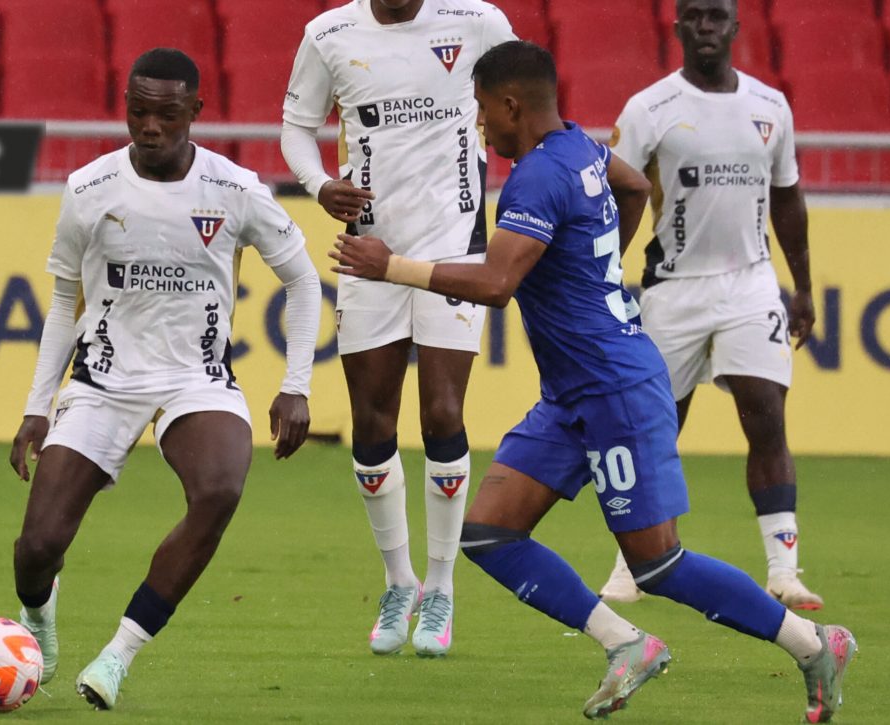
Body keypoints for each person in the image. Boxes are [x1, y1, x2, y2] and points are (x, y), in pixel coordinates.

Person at [330, 41, 855, 723]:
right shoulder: (580, 145)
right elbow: (634, 186)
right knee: (489, 531)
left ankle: (815, 643)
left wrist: (391, 265)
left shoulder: (535, 179)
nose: (482, 127)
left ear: (512, 105)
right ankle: (624, 642)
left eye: (485, 113)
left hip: (614, 389)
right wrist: (593, 263)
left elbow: (494, 284)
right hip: (573, 392)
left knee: (658, 565)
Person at [9, 48, 321, 710]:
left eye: (167, 113)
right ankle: (39, 623)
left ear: (196, 113)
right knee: (36, 548)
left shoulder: (233, 189)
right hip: (103, 380)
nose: (149, 126)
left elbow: (302, 277)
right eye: (138, 111)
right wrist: (38, 406)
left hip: (196, 378)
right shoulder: (90, 189)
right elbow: (66, 300)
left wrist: (297, 383)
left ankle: (118, 654)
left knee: (219, 489)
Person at [280, 0, 515, 658]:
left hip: (456, 250)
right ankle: (399, 580)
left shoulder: (476, 20)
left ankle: (441, 586)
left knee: (442, 411)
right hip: (368, 252)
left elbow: (520, 99)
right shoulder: (327, 34)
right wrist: (321, 183)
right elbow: (297, 127)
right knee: (373, 422)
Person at [597, 0, 823, 610]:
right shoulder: (650, 109)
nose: (705, 27)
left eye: (716, 17)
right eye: (693, 17)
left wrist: (801, 285)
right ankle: (630, 563)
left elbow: (788, 198)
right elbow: (620, 191)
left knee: (766, 415)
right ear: (676, 28)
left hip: (750, 283)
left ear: (734, 28)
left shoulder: (770, 107)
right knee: (656, 427)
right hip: (674, 286)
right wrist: (605, 271)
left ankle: (783, 569)